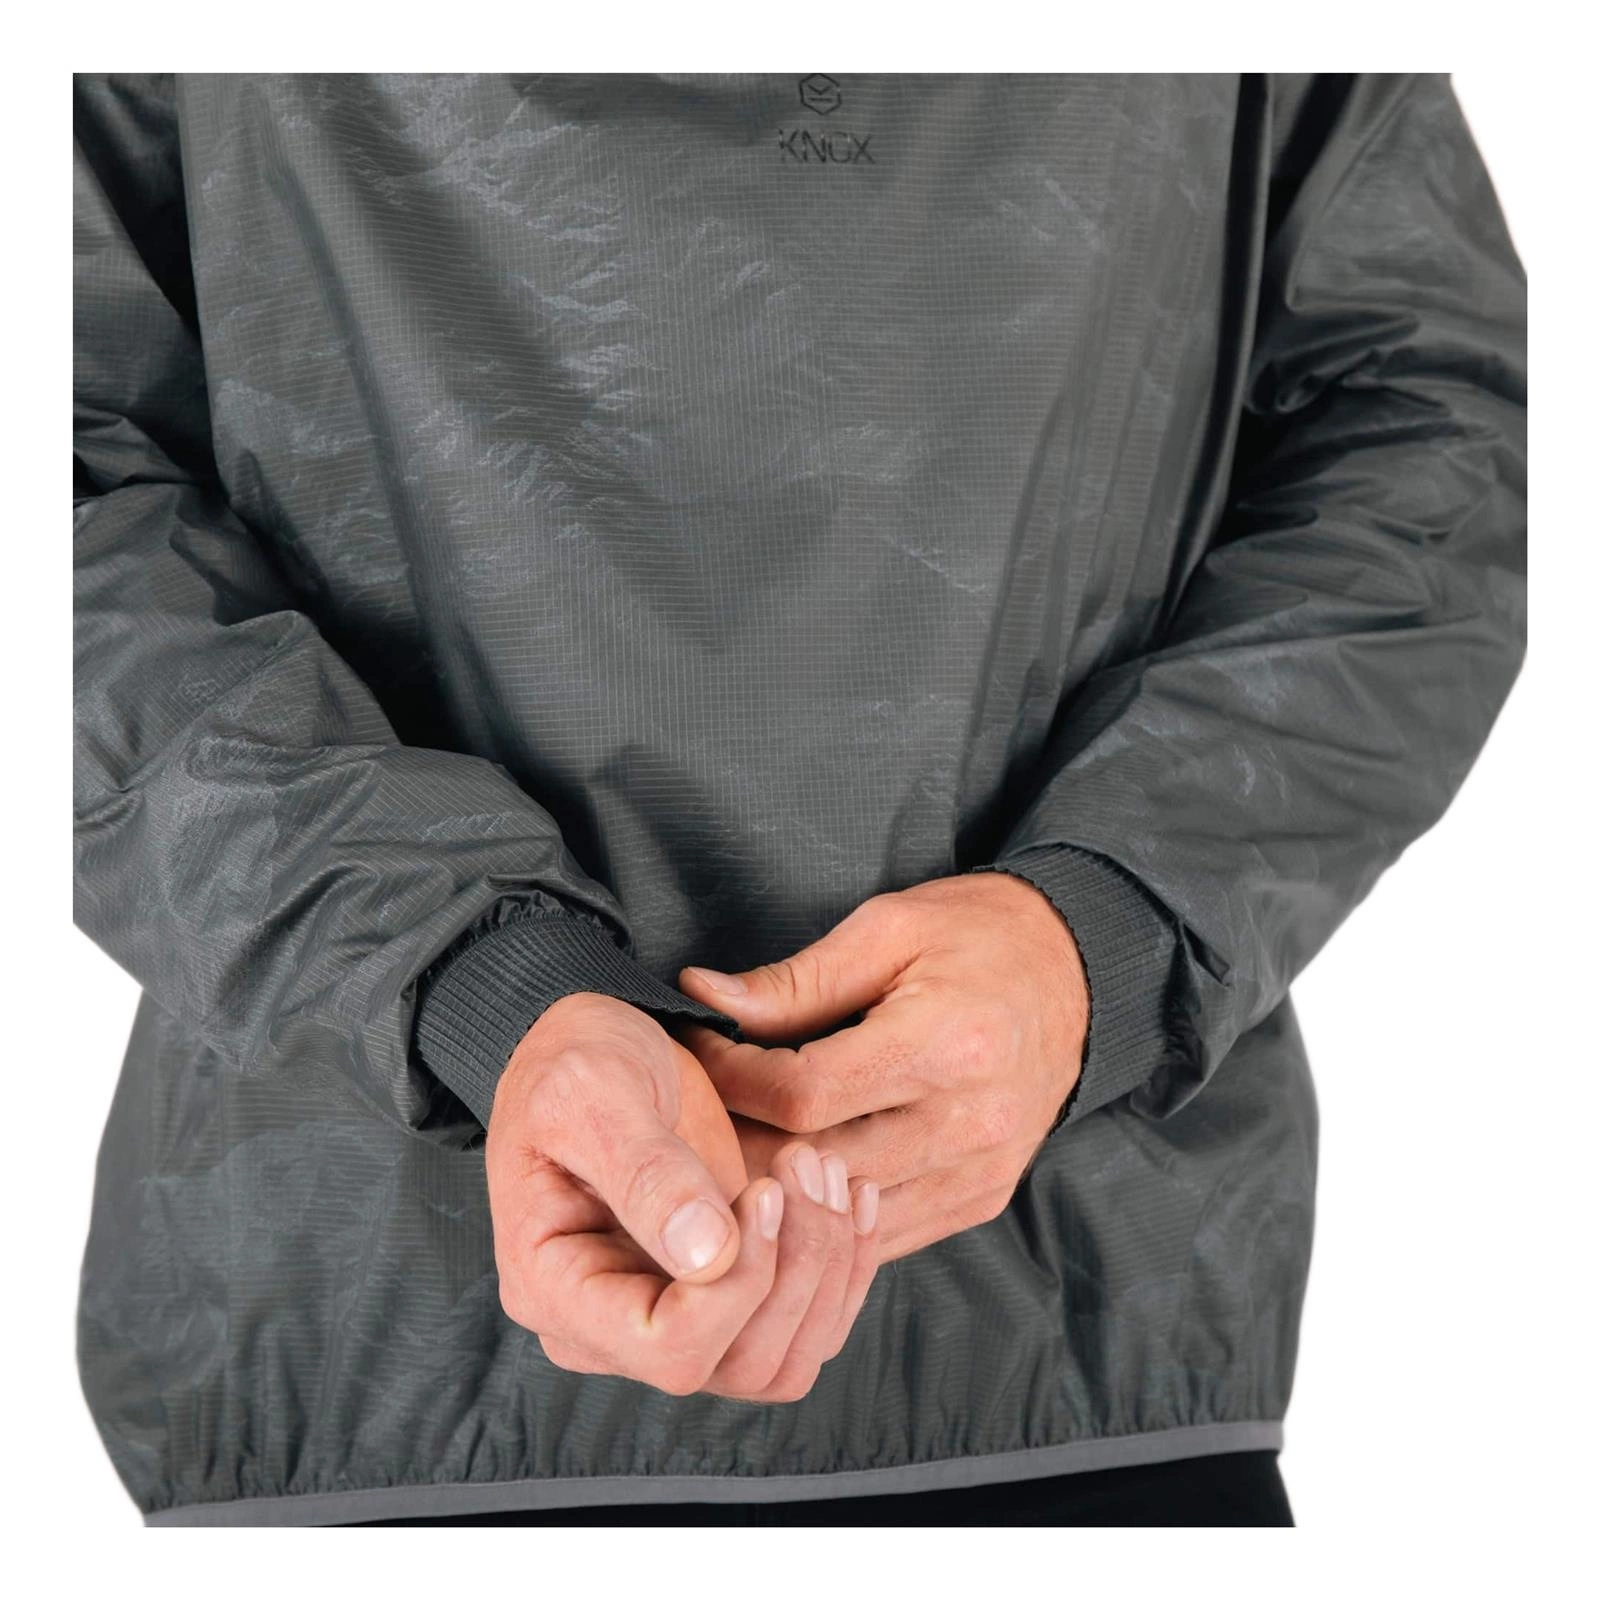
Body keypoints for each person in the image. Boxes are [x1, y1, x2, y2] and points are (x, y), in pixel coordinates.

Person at [72, 71, 1526, 1527]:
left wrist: (1105, 939)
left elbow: (1421, 427)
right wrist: (472, 989)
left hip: (1002, 1345)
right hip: (409, 1346)